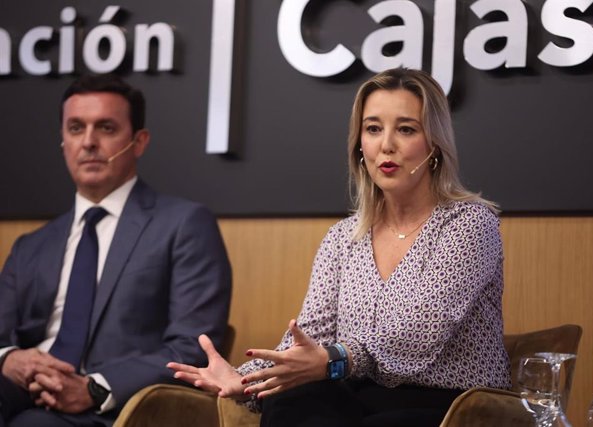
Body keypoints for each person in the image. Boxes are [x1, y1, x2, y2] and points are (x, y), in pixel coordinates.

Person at [168, 68, 510, 427]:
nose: (386, 145)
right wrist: (247, 378)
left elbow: (420, 331)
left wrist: (335, 359)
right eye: (373, 129)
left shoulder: (469, 223)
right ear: (359, 143)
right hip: (357, 397)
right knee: (291, 402)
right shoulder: (343, 237)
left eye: (406, 129)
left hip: (451, 406)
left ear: (435, 144)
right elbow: (310, 337)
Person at [0, 74, 232, 427]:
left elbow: (192, 346)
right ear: (63, 141)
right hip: (20, 390)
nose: (89, 142)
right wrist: (9, 359)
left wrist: (94, 388)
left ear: (138, 142)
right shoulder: (32, 245)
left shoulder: (184, 225)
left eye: (106, 128)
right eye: (76, 128)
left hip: (116, 409)